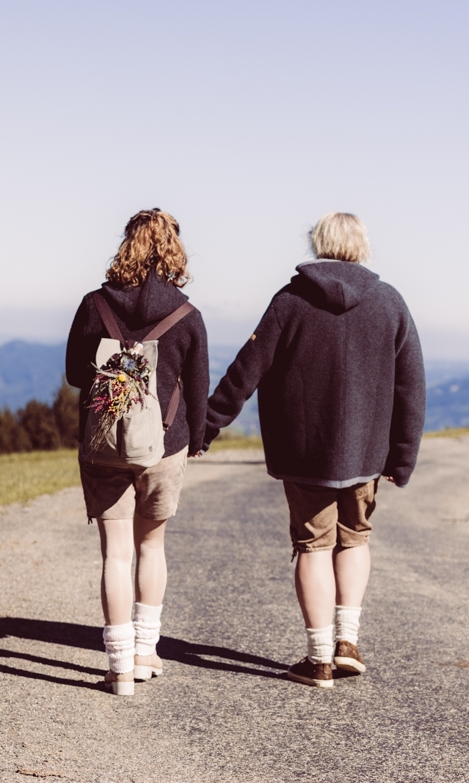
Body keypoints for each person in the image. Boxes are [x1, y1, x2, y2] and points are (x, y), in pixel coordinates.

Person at [204, 211, 425, 689]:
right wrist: (402, 456)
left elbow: (247, 370)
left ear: (317, 244)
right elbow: (412, 387)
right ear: (363, 246)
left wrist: (205, 426)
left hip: (304, 454)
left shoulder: (290, 301)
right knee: (355, 539)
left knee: (312, 545)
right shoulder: (390, 303)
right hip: (367, 453)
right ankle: (348, 642)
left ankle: (319, 657)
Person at [66, 209, 210, 694]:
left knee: (115, 555)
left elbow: (73, 373)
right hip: (164, 448)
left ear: (126, 245)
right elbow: (199, 391)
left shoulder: (94, 305)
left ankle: (119, 667)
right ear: (174, 249)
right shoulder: (188, 317)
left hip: (103, 443)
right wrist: (196, 441)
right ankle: (147, 651)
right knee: (151, 546)